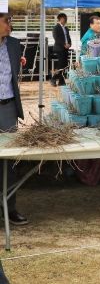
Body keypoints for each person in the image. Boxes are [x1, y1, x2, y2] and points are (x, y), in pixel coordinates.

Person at [0, 13, 29, 226]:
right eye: (6, 20)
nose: (10, 24)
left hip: (8, 107)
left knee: (9, 160)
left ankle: (9, 208)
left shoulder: (14, 44)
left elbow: (15, 74)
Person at [51, 12, 71, 86]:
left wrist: (69, 44)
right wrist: (64, 44)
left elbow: (68, 38)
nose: (65, 20)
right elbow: (56, 38)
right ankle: (53, 78)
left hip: (66, 49)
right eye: (64, 18)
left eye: (66, 18)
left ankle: (61, 81)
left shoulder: (66, 28)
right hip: (59, 48)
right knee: (61, 64)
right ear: (60, 19)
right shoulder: (56, 28)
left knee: (64, 65)